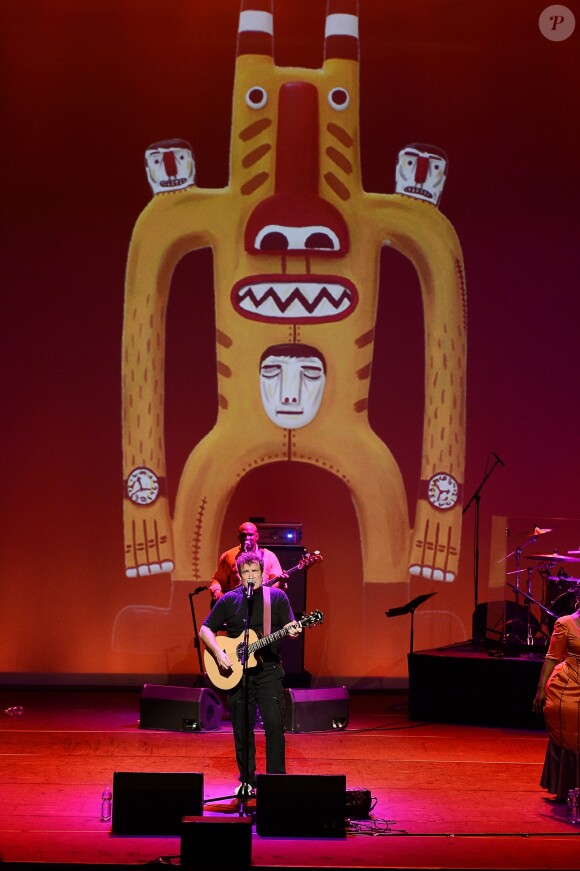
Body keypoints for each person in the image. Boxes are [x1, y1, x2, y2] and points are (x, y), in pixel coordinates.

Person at [199, 551, 302, 797]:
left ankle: (276, 782)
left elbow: (288, 625)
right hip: (238, 673)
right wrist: (219, 654)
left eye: (255, 571)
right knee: (241, 729)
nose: (251, 577)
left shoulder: (276, 598)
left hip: (268, 669)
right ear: (239, 577)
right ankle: (247, 781)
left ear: (263, 573)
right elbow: (205, 629)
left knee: (274, 726)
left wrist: (293, 629)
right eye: (246, 573)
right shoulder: (229, 600)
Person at [532, 597, 580, 801]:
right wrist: (540, 690)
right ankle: (569, 790)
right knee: (571, 739)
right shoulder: (565, 623)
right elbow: (552, 658)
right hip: (567, 686)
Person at [209, 521, 287, 602]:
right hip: (235, 606)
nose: (247, 538)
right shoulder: (228, 556)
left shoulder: (269, 556)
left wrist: (282, 583)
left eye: (250, 535)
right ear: (238, 537)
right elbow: (217, 580)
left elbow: (275, 588)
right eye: (243, 535)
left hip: (261, 605)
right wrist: (219, 595)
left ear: (257, 536)